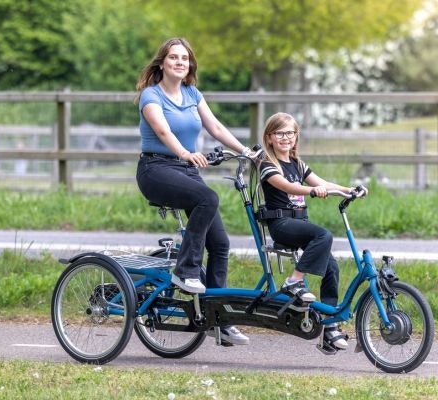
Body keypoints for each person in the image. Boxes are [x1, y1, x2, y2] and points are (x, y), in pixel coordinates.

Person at [134, 37, 251, 345]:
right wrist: (186, 153)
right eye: (174, 57)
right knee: (207, 198)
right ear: (162, 63)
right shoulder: (151, 95)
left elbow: (216, 128)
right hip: (156, 169)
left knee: (221, 243)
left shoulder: (192, 94)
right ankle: (185, 271)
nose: (180, 62)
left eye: (185, 58)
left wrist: (248, 153)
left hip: (185, 171)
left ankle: (218, 319)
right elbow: (162, 131)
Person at [259, 112, 366, 350]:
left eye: (290, 133)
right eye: (280, 133)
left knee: (332, 267)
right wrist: (310, 191)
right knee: (324, 235)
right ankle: (293, 281)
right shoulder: (267, 165)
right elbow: (286, 186)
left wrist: (348, 190)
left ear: (296, 137)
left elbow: (322, 183)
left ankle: (329, 327)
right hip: (282, 225)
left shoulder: (298, 164)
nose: (286, 138)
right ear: (269, 138)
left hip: (300, 225)